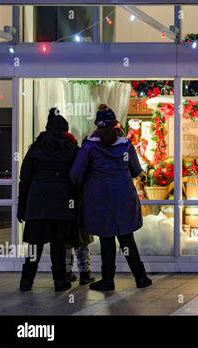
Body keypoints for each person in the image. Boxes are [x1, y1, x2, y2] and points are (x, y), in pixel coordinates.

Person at [70, 104, 152, 291]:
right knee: (126, 239)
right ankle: (141, 277)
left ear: (97, 125)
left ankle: (108, 280)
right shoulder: (126, 145)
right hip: (124, 199)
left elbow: (75, 174)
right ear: (115, 124)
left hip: (100, 201)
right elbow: (136, 171)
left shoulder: (89, 146)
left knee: (107, 239)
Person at [17, 108, 79, 292]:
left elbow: (25, 179)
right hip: (62, 203)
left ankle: (26, 282)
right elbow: (78, 175)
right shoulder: (72, 149)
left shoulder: (36, 148)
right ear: (64, 130)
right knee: (58, 245)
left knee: (34, 245)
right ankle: (60, 282)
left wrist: (22, 207)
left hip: (37, 203)